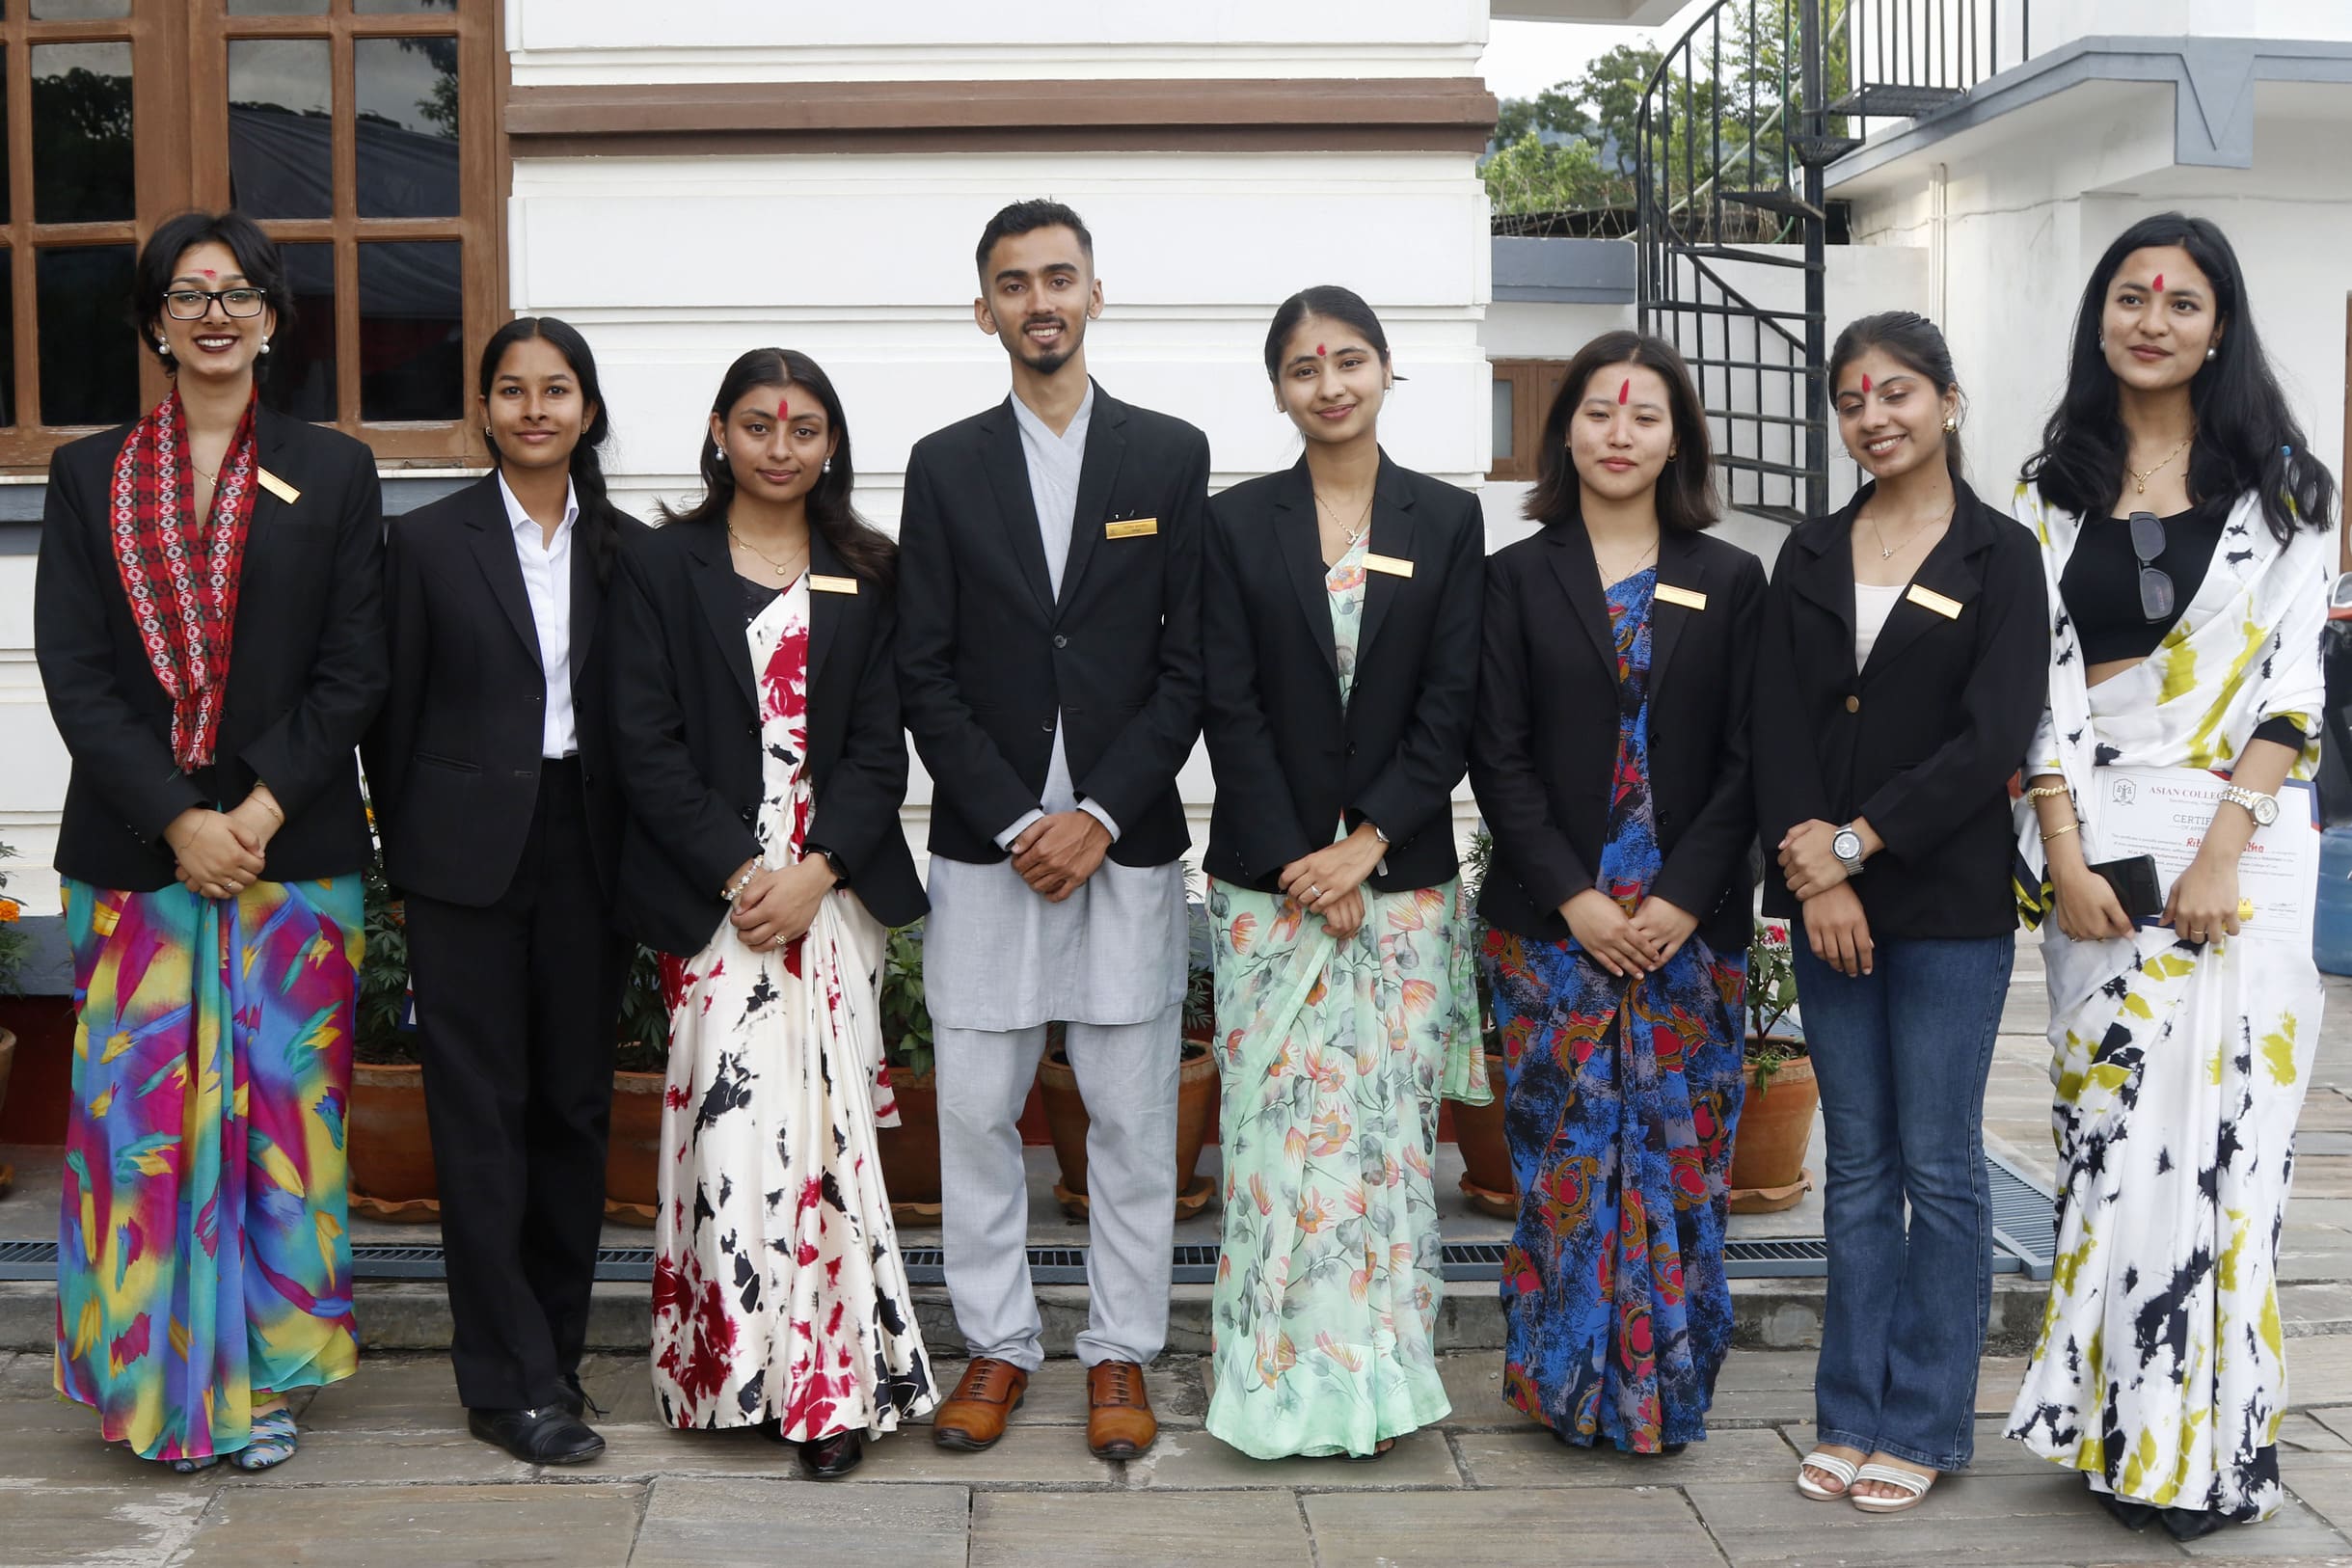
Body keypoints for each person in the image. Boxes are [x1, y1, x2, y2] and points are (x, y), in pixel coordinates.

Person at [34, 209, 388, 1472]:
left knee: (285, 1125)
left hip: (292, 855)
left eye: (237, 292)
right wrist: (179, 818)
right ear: (155, 323)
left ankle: (266, 1378)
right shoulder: (87, 475)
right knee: (138, 1128)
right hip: (138, 855)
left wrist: (253, 812)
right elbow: (75, 670)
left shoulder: (333, 470)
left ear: (272, 318)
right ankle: (149, 1379)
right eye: (188, 294)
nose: (215, 313)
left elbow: (356, 666)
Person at [2004, 213, 2338, 1542]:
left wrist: (2219, 853)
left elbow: (2293, 689)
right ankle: (2117, 1434)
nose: (2152, 320)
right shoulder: (2047, 491)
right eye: (2130, 297)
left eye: (2181, 301)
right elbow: (2029, 689)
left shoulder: (2286, 492)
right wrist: (2064, 855)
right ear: (2099, 318)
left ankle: (2205, 1451)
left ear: (2219, 327)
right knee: (2107, 1146)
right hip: (2093, 848)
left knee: (2226, 1156)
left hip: (2240, 853)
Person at [898, 200, 1207, 1461]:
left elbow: (1188, 667)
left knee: (1131, 1117)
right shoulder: (943, 464)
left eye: (1059, 277)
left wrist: (1098, 814)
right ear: (985, 310)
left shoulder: (1167, 454)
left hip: (1125, 844)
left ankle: (1120, 1347)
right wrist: (1025, 818)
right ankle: (997, 1343)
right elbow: (924, 673)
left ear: (1094, 294)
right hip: (992, 847)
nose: (1041, 300)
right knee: (975, 1109)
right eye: (1015, 283)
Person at [609, 348, 934, 1479]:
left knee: (830, 1139)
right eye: (758, 426)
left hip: (832, 902)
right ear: (719, 432)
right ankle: (737, 1374)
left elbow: (879, 748)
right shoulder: (661, 567)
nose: (780, 448)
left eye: (803, 429)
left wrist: (818, 869)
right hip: (717, 907)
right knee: (731, 1137)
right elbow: (641, 740)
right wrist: (745, 874)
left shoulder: (868, 571)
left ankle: (832, 1388)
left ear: (830, 443)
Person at [1751, 312, 2048, 1513]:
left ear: (1948, 400)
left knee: (1940, 1160)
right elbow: (1774, 717)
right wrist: (1819, 873)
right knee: (1859, 1163)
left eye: (1898, 394)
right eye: (1853, 402)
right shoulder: (1811, 551)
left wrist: (1858, 844)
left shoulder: (2001, 554)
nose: (1874, 418)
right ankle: (1849, 1412)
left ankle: (1924, 1421)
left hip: (1946, 900)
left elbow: (1994, 735)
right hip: (1823, 902)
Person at [1199, 285, 1488, 1460]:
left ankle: (1384, 1383)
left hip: (1400, 887)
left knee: (1384, 1143)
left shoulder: (1447, 517)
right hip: (1267, 891)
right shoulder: (1235, 523)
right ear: (1279, 388)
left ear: (1384, 369)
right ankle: (1270, 1388)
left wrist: (1367, 844)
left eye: (1350, 360)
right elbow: (1228, 700)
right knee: (1274, 1149)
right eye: (1306, 367)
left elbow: (1453, 701)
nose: (1330, 384)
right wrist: (1300, 862)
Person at [1469, 330, 1765, 1456]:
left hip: (1691, 935)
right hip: (1552, 937)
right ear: (1566, 432)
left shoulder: (1730, 579)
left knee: (1682, 1171)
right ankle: (1564, 1390)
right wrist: (1577, 900)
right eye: (1598, 412)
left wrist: (1681, 897)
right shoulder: (1514, 577)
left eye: (1645, 415)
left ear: (1677, 437)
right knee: (1563, 1169)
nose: (1620, 434)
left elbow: (1752, 756)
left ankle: (1664, 1397)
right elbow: (1496, 756)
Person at [365, 317, 643, 1465]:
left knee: (573, 1109)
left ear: (588, 411)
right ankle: (500, 1381)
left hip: (590, 846)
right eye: (514, 390)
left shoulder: (630, 549)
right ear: (483, 410)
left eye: (557, 389)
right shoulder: (427, 542)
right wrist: (410, 861)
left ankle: (554, 1360)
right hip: (462, 859)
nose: (536, 409)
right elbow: (389, 714)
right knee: (477, 1117)